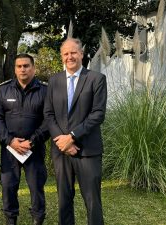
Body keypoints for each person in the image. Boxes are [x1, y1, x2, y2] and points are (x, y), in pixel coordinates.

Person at [43, 38, 107, 225]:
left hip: (87, 151)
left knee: (92, 200)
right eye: (65, 53)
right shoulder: (54, 81)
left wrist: (71, 137)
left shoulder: (96, 79)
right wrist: (62, 141)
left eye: (73, 52)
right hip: (61, 151)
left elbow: (97, 114)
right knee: (64, 199)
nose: (69, 57)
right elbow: (48, 114)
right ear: (61, 57)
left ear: (81, 54)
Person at [0, 53, 49, 225]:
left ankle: (37, 219)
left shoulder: (45, 90)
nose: (23, 69)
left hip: (34, 149)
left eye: (26, 65)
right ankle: (11, 220)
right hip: (10, 150)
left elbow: (49, 120)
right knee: (8, 186)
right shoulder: (4, 90)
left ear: (33, 68)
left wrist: (31, 141)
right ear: (15, 69)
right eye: (19, 66)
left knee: (36, 187)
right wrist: (10, 141)